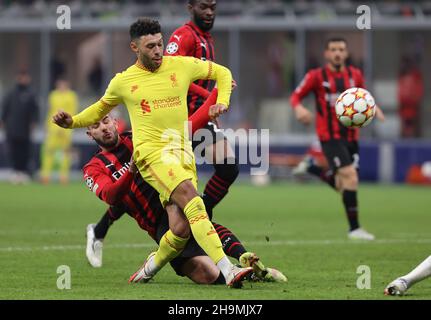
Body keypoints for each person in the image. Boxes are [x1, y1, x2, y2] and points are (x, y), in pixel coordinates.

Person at [53, 18, 252, 288]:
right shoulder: (123, 81)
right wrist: (73, 122)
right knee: (194, 202)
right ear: (135, 47)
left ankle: (151, 266)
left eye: (160, 44)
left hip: (182, 153)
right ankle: (228, 269)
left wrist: (222, 102)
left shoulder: (179, 65)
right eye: (151, 46)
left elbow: (224, 73)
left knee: (181, 228)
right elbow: (100, 108)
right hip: (151, 156)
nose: (159, 50)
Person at [83, 114, 287, 284]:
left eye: (106, 121)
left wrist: (208, 114)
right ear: (89, 133)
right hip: (157, 226)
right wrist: (131, 171)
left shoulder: (140, 137)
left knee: (196, 215)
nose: (104, 128)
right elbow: (112, 196)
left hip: (172, 201)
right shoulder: (93, 168)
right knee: (205, 273)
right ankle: (245, 272)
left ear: (115, 121)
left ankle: (244, 261)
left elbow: (177, 130)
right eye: (96, 126)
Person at [289, 37, 384, 240]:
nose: (337, 53)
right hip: (329, 137)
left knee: (345, 185)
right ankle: (355, 229)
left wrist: (375, 109)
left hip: (352, 136)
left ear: (346, 53)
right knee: (351, 177)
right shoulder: (316, 76)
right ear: (327, 53)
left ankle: (312, 168)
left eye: (341, 49)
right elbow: (295, 96)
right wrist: (298, 108)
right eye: (333, 49)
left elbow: (363, 98)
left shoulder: (355, 75)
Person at [164, 0, 239, 220]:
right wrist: (210, 96)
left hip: (200, 117)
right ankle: (101, 228)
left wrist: (210, 107)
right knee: (160, 189)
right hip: (181, 119)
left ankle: (202, 213)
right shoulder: (183, 36)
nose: (208, 12)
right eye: (203, 7)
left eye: (212, 8)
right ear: (191, 7)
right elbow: (171, 76)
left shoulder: (206, 39)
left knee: (228, 168)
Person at [1, 70, 39, 184]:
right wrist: (2, 120)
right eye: (22, 77)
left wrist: (33, 122)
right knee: (13, 151)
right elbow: (5, 108)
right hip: (12, 129)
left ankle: (23, 172)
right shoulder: (11, 93)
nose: (24, 79)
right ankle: (15, 172)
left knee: (25, 151)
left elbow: (35, 111)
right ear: (18, 78)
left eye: (26, 77)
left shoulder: (31, 93)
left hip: (25, 129)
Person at [40, 79, 78, 184]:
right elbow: (50, 110)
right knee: (49, 151)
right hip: (53, 126)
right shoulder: (53, 95)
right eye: (59, 84)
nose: (61, 86)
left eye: (63, 84)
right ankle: (46, 175)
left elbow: (73, 110)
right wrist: (47, 125)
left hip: (66, 128)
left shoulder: (72, 95)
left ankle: (64, 176)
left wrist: (67, 125)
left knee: (66, 152)